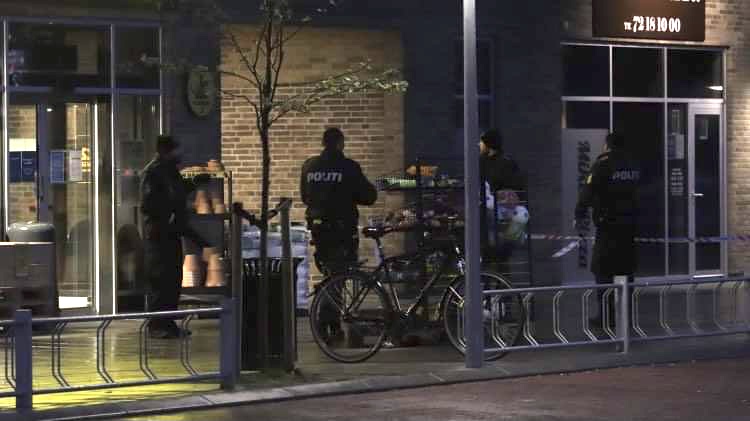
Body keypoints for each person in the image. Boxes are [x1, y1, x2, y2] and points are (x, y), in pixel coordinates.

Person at [300, 127, 377, 345]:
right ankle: (325, 322)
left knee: (331, 274)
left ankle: (331, 324)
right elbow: (368, 196)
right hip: (342, 230)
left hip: (319, 230)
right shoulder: (348, 167)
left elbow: (305, 196)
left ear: (323, 143)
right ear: (340, 143)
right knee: (339, 276)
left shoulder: (310, 166)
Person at [141, 135, 209, 339]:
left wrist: (193, 184)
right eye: (174, 150)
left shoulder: (170, 171)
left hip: (172, 234)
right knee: (160, 281)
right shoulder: (153, 172)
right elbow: (149, 204)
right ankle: (156, 325)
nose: (179, 154)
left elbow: (177, 192)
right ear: (164, 151)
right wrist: (167, 213)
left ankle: (168, 323)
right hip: (159, 235)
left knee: (172, 281)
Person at [575, 132, 640, 328]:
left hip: (608, 227)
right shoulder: (632, 164)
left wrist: (579, 214)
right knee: (626, 271)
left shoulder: (602, 164)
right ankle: (625, 315)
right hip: (629, 228)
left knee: (602, 270)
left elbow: (587, 192)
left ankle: (606, 316)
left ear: (607, 146)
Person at [479, 129, 524, 273]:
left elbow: (516, 189)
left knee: (495, 251)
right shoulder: (484, 162)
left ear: (489, 144)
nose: (479, 144)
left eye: (482, 142)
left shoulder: (503, 163)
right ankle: (498, 280)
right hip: (492, 212)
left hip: (498, 212)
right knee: (495, 254)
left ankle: (497, 280)